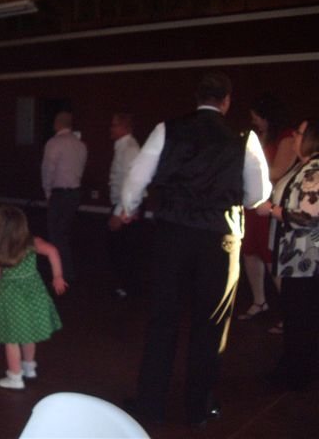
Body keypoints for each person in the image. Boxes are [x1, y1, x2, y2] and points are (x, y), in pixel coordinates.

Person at [120, 72, 271, 427]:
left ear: (197, 97)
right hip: (219, 237)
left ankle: (150, 403)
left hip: (172, 234)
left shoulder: (167, 129)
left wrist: (128, 206)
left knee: (163, 320)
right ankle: (198, 408)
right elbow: (258, 194)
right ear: (227, 101)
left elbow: (137, 177)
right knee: (211, 324)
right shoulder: (243, 138)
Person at [256, 118, 319, 392]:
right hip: (298, 257)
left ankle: (296, 373)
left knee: (301, 316)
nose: (295, 136)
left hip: (308, 258)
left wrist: (272, 210)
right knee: (298, 314)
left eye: (300, 133)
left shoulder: (315, 169)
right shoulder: (304, 166)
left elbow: (307, 216)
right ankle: (296, 368)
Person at [0, 205, 68, 389]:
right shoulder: (32, 242)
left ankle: (15, 377)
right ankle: (29, 367)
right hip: (34, 294)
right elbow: (52, 251)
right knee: (27, 332)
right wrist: (58, 276)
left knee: (11, 338)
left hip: (11, 298)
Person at [238, 93, 295, 323]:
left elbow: (278, 171)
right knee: (250, 251)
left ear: (268, 116)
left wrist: (248, 168)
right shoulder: (259, 135)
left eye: (257, 118)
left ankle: (290, 313)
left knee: (271, 256)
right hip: (253, 203)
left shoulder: (287, 138)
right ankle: (259, 301)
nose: (254, 122)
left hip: (272, 203)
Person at [41, 111, 87, 283]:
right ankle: (64, 269)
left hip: (60, 194)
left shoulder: (54, 143)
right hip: (75, 193)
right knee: (64, 232)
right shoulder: (81, 145)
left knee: (56, 234)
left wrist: (47, 192)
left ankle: (63, 272)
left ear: (57, 124)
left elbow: (47, 170)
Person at [107, 113, 143, 298]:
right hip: (123, 204)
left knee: (125, 249)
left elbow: (132, 184)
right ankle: (125, 285)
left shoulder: (129, 149)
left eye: (114, 125)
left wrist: (119, 212)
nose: (111, 128)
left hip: (127, 205)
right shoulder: (123, 147)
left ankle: (128, 288)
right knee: (121, 248)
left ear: (125, 127)